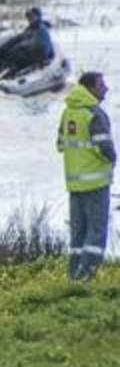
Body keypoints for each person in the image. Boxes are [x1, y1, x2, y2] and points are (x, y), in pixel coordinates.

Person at [57, 71, 114, 281]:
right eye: (102, 85)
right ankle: (88, 275)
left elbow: (61, 144)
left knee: (78, 234)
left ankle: (74, 276)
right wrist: (113, 159)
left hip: (74, 184)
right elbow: (105, 148)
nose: (106, 88)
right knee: (96, 232)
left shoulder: (67, 112)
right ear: (90, 89)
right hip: (96, 183)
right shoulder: (95, 114)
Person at [0, 7, 54, 73]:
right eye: (28, 17)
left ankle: (6, 68)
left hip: (37, 57)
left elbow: (19, 40)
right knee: (11, 52)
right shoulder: (32, 29)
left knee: (11, 55)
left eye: (32, 16)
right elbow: (17, 39)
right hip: (34, 56)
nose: (29, 19)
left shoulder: (40, 29)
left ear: (38, 16)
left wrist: (2, 50)